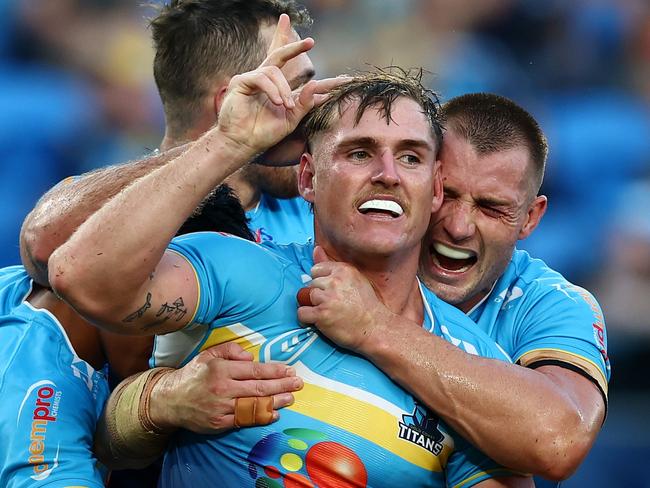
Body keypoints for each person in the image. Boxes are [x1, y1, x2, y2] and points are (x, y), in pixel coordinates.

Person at [46, 37, 531, 486]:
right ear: (308, 178)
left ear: (435, 189)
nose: (387, 175)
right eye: (359, 153)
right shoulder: (238, 270)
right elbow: (79, 277)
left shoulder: (472, 365)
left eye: (410, 157)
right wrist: (230, 144)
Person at [297, 93, 610, 481]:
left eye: (492, 207)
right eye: (448, 194)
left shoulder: (551, 305)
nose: (458, 227)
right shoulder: (340, 228)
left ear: (530, 217)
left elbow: (558, 442)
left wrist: (374, 326)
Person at [0, 186, 303, 486]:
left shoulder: (17, 291)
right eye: (179, 310)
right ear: (132, 278)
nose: (190, 355)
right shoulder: (41, 383)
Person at [20, 1, 316, 290]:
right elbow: (42, 245)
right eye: (296, 89)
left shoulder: (322, 197)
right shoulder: (129, 219)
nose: (313, 108)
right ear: (232, 103)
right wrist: (228, 144)